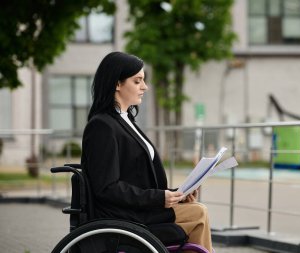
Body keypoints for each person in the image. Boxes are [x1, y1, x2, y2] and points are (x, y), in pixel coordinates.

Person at [81, 51, 213, 252]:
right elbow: (107, 187)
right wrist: (160, 198)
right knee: (198, 213)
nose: (145, 87)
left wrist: (177, 194)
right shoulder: (102, 126)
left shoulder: (125, 120)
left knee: (196, 211)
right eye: (137, 81)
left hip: (140, 209)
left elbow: (136, 177)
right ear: (117, 84)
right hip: (124, 216)